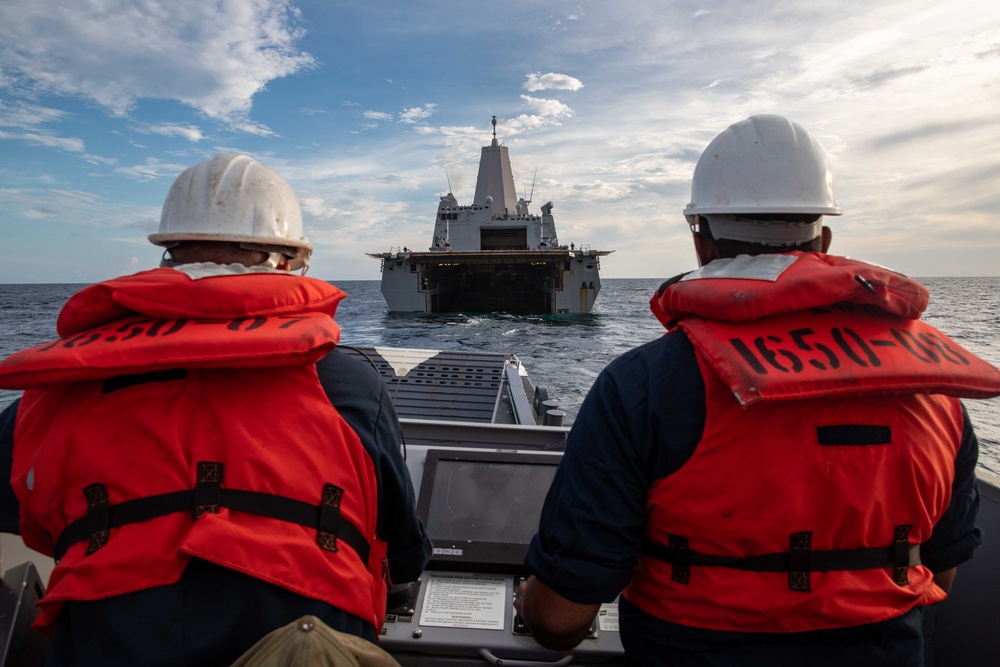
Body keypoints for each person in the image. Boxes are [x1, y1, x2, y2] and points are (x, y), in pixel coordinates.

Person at [515, 115, 1000, 666]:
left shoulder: (641, 387)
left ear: (701, 240)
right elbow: (939, 573)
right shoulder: (935, 394)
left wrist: (528, 599)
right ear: (825, 237)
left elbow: (559, 621)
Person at [0, 154, 430, 666]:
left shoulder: (55, 393)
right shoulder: (347, 386)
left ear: (168, 255)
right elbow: (403, 557)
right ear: (290, 261)